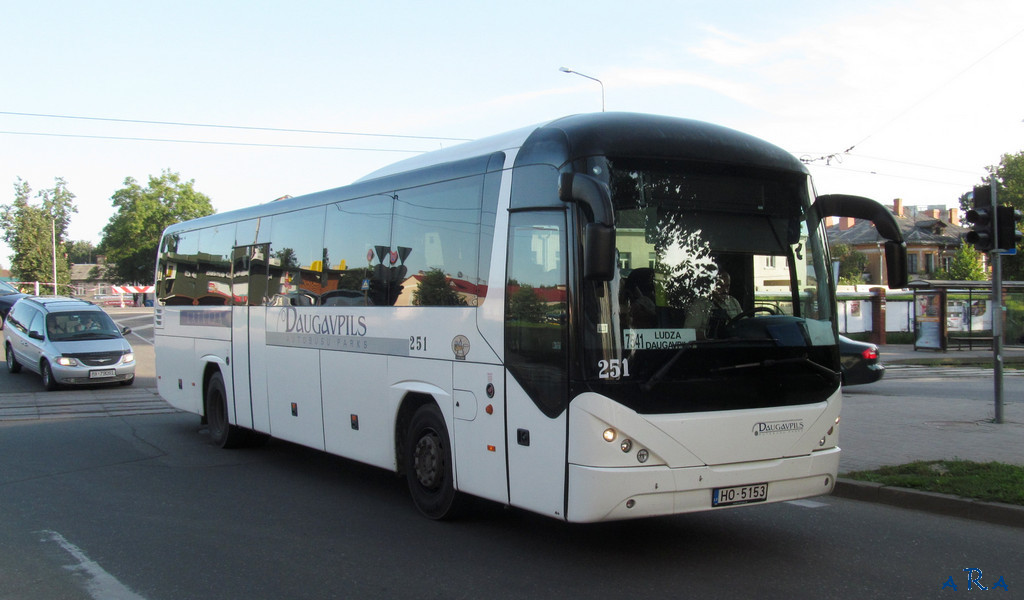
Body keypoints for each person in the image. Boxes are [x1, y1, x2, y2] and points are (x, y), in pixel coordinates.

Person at [684, 269, 743, 339]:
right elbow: (687, 334)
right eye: (720, 286)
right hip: (711, 347)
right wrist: (710, 335)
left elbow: (745, 324)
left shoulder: (733, 302)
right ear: (711, 286)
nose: (725, 290)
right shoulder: (700, 305)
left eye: (727, 286)